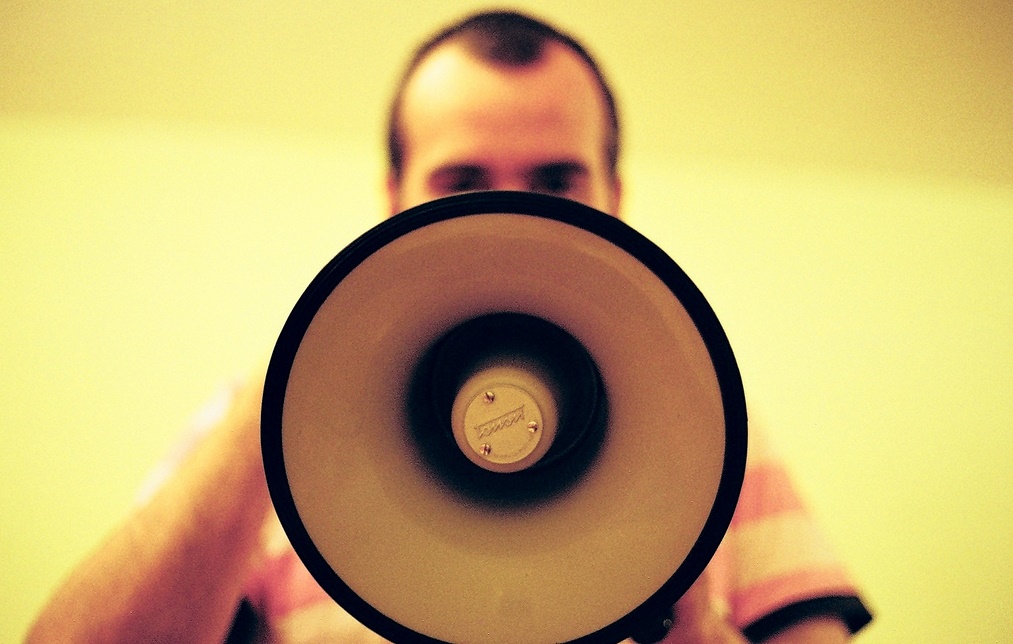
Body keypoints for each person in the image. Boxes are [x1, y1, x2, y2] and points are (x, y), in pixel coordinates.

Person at [26, 10, 872, 643]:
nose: (507, 220)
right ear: (391, 202)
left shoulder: (712, 423)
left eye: (554, 182)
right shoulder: (260, 421)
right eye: (461, 182)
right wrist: (287, 390)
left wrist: (679, 613)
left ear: (617, 201)